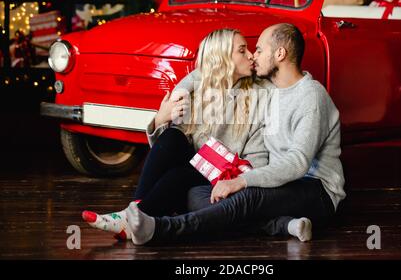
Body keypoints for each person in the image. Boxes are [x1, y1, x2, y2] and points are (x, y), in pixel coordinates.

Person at [123, 23, 346, 245]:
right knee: (196, 195)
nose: (253, 56)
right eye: (247, 50)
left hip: (315, 189)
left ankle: (160, 229)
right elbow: (212, 69)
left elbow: (298, 163)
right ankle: (281, 224)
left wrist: (241, 181)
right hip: (279, 182)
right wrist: (170, 105)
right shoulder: (270, 90)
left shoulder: (311, 96)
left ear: (280, 53)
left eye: (259, 49)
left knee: (246, 198)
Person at [81, 28, 271, 240]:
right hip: (194, 162)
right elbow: (167, 147)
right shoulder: (200, 87)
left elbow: (257, 156)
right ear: (223, 59)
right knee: (173, 137)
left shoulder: (258, 94)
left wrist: (242, 180)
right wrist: (161, 119)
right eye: (242, 50)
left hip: (224, 174)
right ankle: (133, 214)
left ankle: (129, 219)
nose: (251, 55)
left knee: (179, 175)